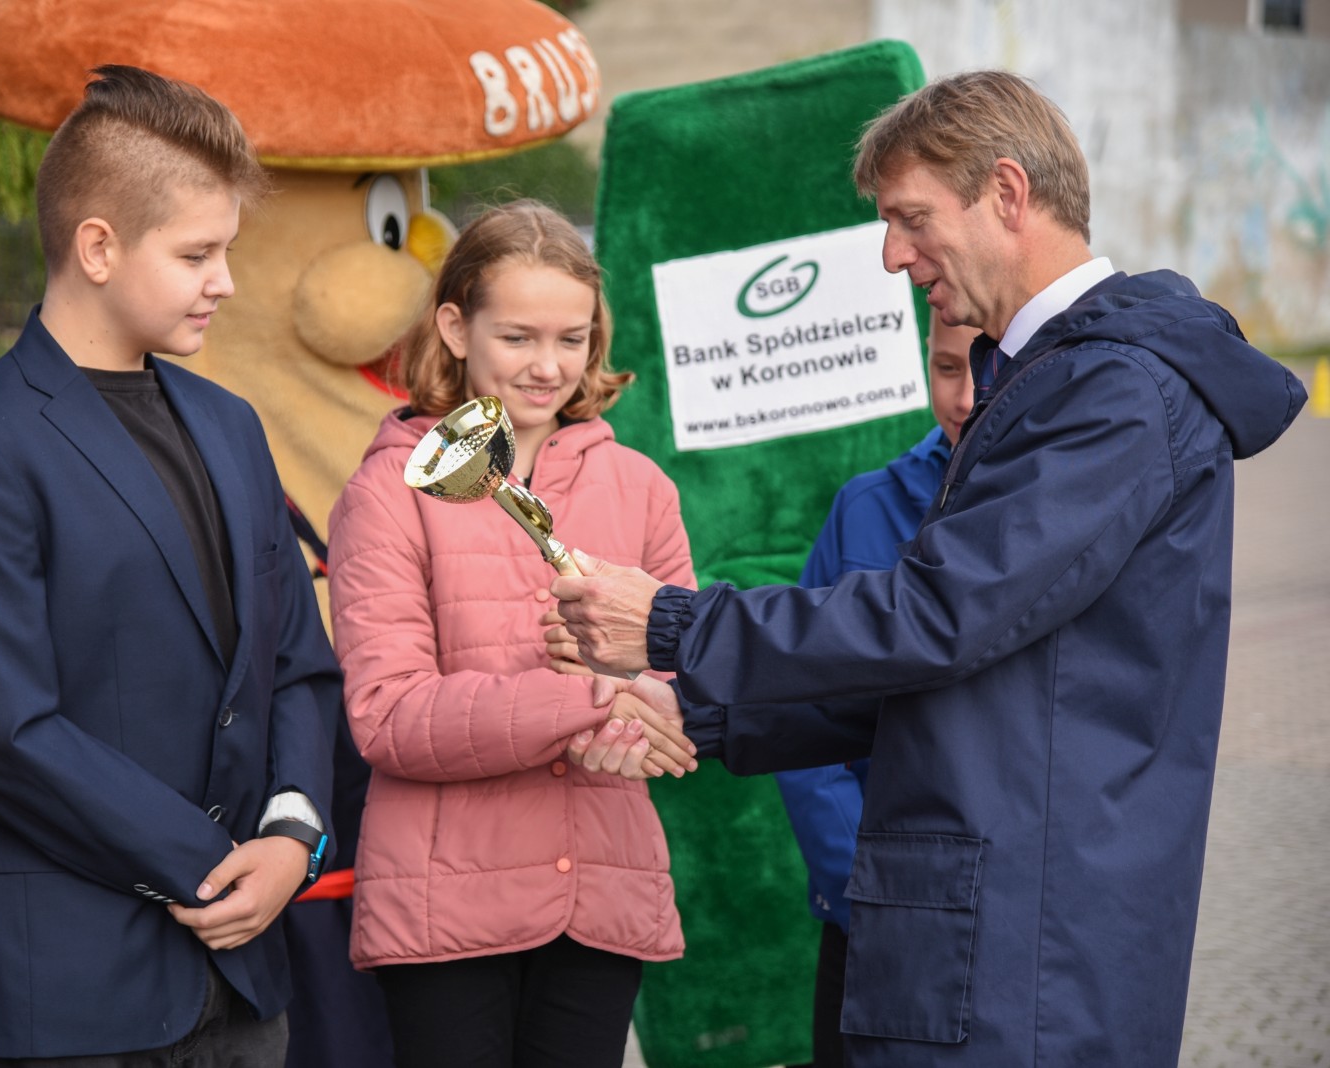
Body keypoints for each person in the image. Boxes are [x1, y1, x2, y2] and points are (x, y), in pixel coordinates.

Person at [554, 70, 1308, 1067]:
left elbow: (939, 616)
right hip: (998, 936)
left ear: (1007, 192)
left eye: (911, 219)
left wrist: (672, 624)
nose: (892, 255)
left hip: (1028, 955)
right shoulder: (1057, 377)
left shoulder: (1112, 391)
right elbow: (954, 673)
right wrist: (699, 712)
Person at [0, 67, 340, 1067]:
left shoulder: (231, 424)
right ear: (97, 247)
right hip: (57, 988)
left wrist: (292, 836)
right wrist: (215, 864)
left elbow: (297, 662)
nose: (226, 281)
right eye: (197, 254)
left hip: (244, 985)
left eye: (227, 251)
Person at [327, 199, 696, 1068]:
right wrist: (587, 701)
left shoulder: (642, 487)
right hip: (444, 910)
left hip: (602, 892)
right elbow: (387, 715)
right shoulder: (387, 494)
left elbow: (681, 675)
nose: (549, 366)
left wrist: (644, 707)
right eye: (518, 337)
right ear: (455, 327)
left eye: (572, 339)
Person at [774, 318, 975, 1068]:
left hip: (1002, 917)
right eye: (945, 369)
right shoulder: (865, 506)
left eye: (987, 372)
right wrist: (866, 888)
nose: (965, 397)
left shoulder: (1061, 501)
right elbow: (802, 711)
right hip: (868, 915)